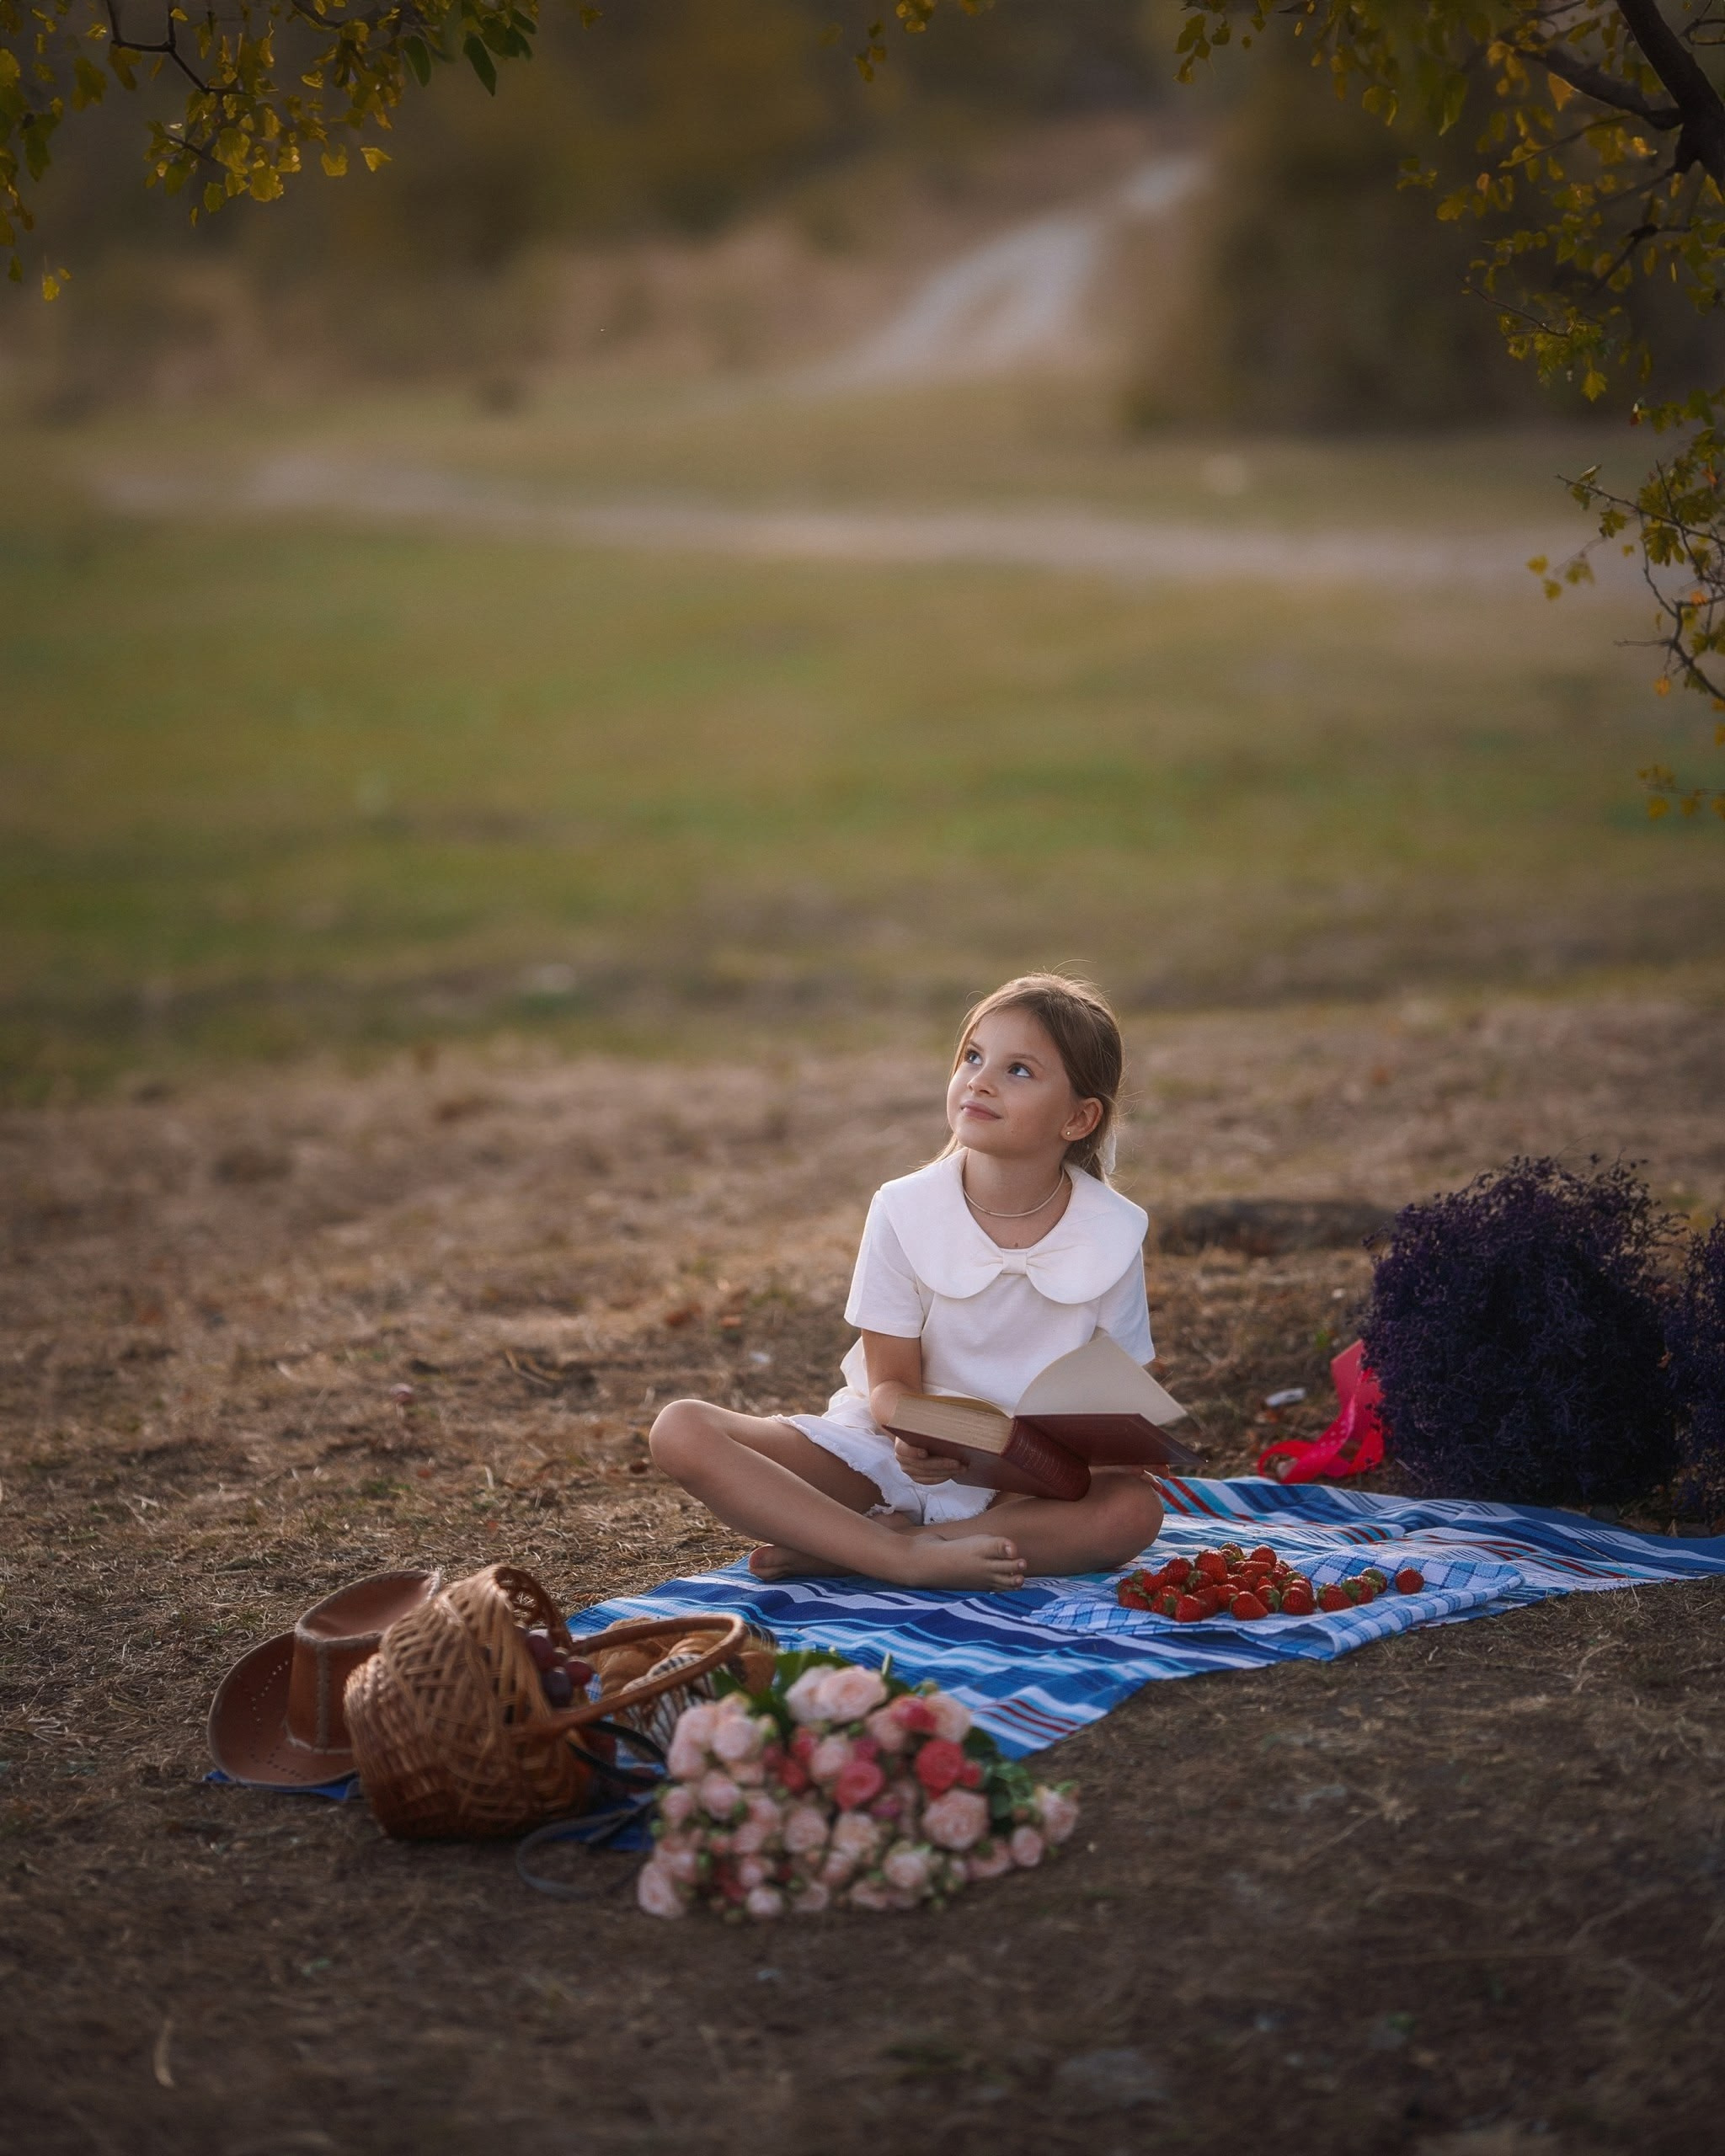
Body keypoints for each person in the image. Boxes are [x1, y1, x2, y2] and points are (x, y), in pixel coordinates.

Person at [649, 974, 1167, 1592]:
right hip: (886, 1457)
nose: (980, 1079)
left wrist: (1105, 1453)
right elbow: (889, 1381)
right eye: (973, 1057)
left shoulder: (1112, 1230)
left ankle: (870, 1547)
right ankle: (894, 1556)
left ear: (1080, 1118)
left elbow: (1122, 1400)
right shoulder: (905, 1209)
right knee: (681, 1429)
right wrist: (914, 1435)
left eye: (1019, 1070)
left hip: (1021, 1493)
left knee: (1135, 1510)